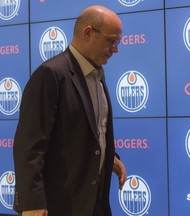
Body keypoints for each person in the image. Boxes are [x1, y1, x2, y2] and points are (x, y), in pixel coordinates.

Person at [13, 5, 127, 216]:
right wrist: (31, 203)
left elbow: (91, 131)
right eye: (112, 41)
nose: (115, 49)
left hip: (94, 204)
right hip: (61, 206)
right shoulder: (50, 74)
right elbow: (29, 146)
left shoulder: (97, 76)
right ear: (88, 33)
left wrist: (110, 157)